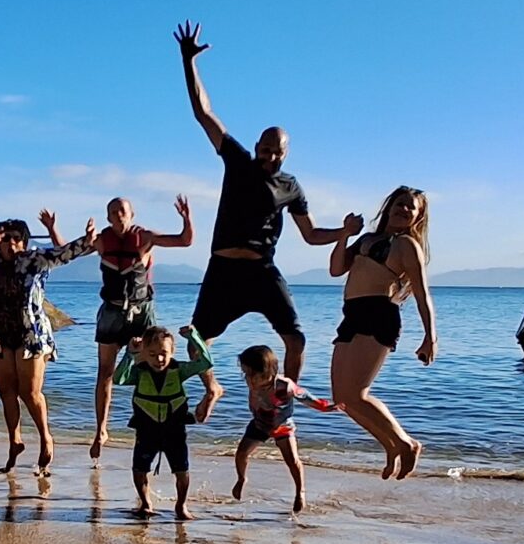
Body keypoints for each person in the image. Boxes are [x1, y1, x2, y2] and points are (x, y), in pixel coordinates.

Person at [174, 21, 360, 384]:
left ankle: (286, 395)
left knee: (296, 339)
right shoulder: (238, 161)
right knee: (197, 341)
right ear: (257, 145)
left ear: (285, 153)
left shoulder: (291, 186)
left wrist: (345, 231)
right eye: (265, 149)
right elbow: (203, 113)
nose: (269, 156)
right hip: (223, 270)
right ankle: (213, 390)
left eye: (276, 152)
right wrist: (188, 61)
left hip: (262, 272)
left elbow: (310, 234)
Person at [0, 210, 99, 473]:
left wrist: (86, 240)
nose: (10, 244)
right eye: (5, 238)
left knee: (29, 392)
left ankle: (45, 437)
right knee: (6, 390)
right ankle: (14, 441)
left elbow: (65, 254)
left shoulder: (35, 259)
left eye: (16, 239)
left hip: (32, 336)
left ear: (25, 242)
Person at [326, 184, 439, 478]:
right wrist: (344, 235)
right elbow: (337, 269)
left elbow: (423, 294)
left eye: (410, 207)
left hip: (379, 315)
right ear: (389, 206)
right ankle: (390, 445)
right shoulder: (368, 239)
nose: (403, 209)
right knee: (342, 397)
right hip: (352, 314)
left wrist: (430, 337)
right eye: (399, 203)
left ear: (418, 217)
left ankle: (407, 443)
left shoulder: (406, 246)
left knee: (358, 394)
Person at [88, 194, 196, 458]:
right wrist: (54, 230)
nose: (118, 215)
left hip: (141, 310)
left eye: (122, 211)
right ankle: (101, 429)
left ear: (131, 214)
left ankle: (154, 421)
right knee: (105, 372)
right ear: (108, 217)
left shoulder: (145, 237)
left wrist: (187, 219)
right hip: (112, 311)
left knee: (152, 366)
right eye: (113, 212)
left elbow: (184, 241)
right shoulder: (101, 240)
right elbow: (65, 250)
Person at [112, 323, 221, 520]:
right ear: (144, 352)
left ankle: (181, 505)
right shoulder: (140, 372)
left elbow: (205, 363)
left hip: (174, 431)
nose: (159, 359)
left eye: (164, 353)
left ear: (172, 352)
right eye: (152, 354)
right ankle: (145, 504)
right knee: (139, 469)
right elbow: (118, 379)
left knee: (181, 470)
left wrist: (193, 337)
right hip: (147, 431)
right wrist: (129, 354)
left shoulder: (179, 371)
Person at [228, 343, 337, 513]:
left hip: (282, 426)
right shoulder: (252, 381)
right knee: (241, 453)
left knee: (292, 460)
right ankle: (242, 479)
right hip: (260, 423)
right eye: (245, 373)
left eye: (251, 374)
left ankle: (300, 492)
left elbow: (304, 396)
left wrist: (323, 406)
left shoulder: (284, 386)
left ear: (267, 372)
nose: (248, 379)